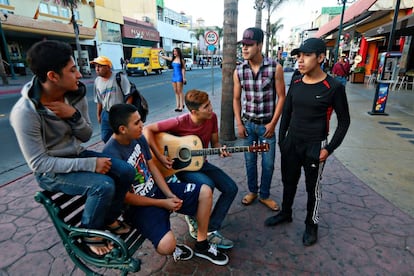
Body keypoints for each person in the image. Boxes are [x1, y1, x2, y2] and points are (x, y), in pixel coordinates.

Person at [9, 40, 135, 257]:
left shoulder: (74, 95)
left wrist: (72, 115)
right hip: (51, 172)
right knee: (102, 185)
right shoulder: (25, 112)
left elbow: (85, 135)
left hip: (76, 155)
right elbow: (38, 163)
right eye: (72, 70)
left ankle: (108, 218)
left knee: (126, 171)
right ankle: (88, 234)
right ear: (52, 76)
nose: (79, 75)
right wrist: (91, 164)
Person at [102, 103, 229, 265]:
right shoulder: (110, 155)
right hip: (139, 208)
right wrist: (163, 203)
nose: (142, 126)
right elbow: (126, 198)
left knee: (205, 191)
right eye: (137, 123)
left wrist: (169, 194)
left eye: (140, 120)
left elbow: (152, 167)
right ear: (122, 129)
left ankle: (202, 243)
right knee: (166, 246)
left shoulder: (138, 137)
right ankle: (172, 245)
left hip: (158, 191)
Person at [264, 38, 351, 246]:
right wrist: (283, 140)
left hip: (315, 145)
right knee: (288, 182)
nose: (300, 60)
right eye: (298, 56)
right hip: (292, 143)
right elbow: (287, 111)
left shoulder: (334, 86)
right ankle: (286, 213)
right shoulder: (295, 81)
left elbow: (344, 121)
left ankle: (312, 225)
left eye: (306, 55)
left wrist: (329, 149)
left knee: (313, 188)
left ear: (321, 57)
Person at [144, 89, 238, 250]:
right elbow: (147, 130)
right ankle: (202, 228)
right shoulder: (181, 122)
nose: (211, 108)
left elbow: (215, 144)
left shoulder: (212, 118)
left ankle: (209, 227)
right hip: (182, 167)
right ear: (194, 111)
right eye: (206, 106)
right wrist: (160, 156)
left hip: (201, 163)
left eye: (209, 104)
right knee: (207, 185)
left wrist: (220, 148)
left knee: (231, 188)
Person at [233, 27, 286, 211]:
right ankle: (253, 191)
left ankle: (264, 195)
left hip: (267, 127)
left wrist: (273, 123)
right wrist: (239, 123)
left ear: (260, 45)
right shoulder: (239, 70)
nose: (244, 49)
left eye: (249, 45)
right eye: (243, 45)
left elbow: (282, 97)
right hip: (248, 125)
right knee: (250, 162)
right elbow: (236, 98)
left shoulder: (275, 68)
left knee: (268, 164)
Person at [92, 56, 133, 143]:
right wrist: (99, 115)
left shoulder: (119, 77)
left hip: (119, 113)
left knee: (122, 136)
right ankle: (114, 152)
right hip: (106, 113)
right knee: (105, 137)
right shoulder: (97, 81)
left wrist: (126, 114)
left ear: (107, 67)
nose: (97, 69)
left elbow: (129, 95)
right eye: (96, 66)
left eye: (100, 66)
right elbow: (99, 100)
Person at [161, 48, 186, 112]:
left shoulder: (181, 60)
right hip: (174, 77)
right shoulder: (173, 59)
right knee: (176, 91)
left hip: (179, 77)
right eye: (173, 51)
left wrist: (184, 78)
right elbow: (166, 58)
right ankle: (177, 106)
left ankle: (181, 107)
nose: (174, 52)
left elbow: (183, 69)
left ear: (178, 52)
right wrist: (160, 55)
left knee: (180, 91)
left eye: (175, 51)